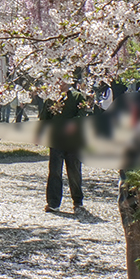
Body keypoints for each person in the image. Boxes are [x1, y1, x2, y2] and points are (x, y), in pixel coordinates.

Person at [41, 81, 85, 214]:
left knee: (74, 171)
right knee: (54, 171)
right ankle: (53, 202)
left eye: (63, 79)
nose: (60, 83)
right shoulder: (51, 98)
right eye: (57, 79)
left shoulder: (78, 97)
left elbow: (82, 116)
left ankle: (77, 201)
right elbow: (44, 118)